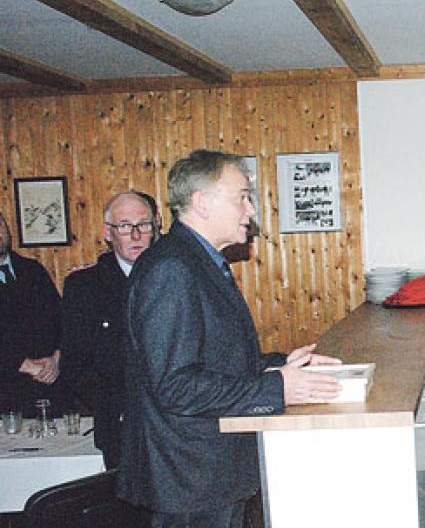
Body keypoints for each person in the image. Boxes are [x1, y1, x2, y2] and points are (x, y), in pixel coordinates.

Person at [116, 150, 344, 528]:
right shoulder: (172, 268)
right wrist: (277, 388)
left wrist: (281, 366)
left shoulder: (199, 260)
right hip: (190, 478)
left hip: (208, 474)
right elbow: (175, 386)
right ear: (201, 203)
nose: (250, 210)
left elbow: (216, 361)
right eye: (241, 196)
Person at [60, 191, 157, 469]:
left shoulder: (175, 276)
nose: (136, 235)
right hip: (120, 425)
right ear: (108, 232)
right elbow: (76, 365)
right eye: (125, 226)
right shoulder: (85, 287)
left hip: (172, 425)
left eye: (144, 225)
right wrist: (115, 406)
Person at [0, 210, 63, 415]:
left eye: (0, 225)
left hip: (49, 387)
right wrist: (24, 365)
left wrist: (56, 358)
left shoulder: (32, 270)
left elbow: (62, 319)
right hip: (6, 393)